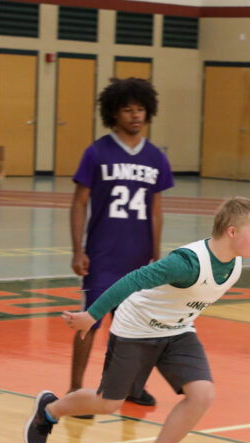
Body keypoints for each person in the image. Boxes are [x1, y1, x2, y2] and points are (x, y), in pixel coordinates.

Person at [25, 197, 250, 443]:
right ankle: (49, 411)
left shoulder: (234, 265)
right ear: (232, 231)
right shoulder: (186, 264)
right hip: (136, 329)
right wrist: (92, 315)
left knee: (202, 395)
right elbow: (132, 281)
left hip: (178, 331)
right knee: (108, 404)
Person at [68, 77, 174, 412]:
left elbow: (156, 210)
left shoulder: (156, 157)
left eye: (140, 109)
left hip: (139, 259)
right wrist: (77, 249)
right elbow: (78, 203)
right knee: (90, 323)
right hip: (102, 256)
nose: (135, 115)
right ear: (114, 114)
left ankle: (132, 386)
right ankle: (74, 390)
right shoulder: (97, 152)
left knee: (138, 328)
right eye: (127, 110)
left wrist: (157, 255)